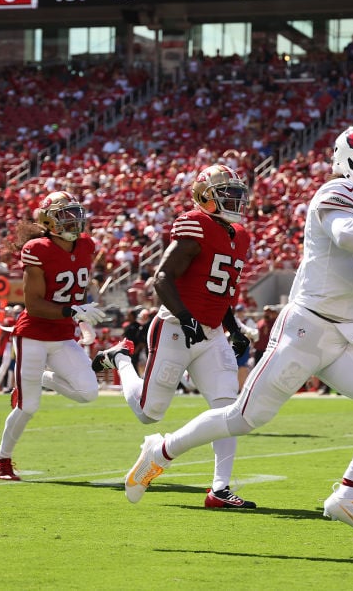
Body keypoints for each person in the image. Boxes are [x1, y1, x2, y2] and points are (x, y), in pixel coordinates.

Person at [122, 122, 353, 540]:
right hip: (307, 328)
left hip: (346, 337)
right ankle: (162, 449)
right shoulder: (338, 192)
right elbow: (343, 234)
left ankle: (349, 494)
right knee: (245, 417)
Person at [95, 164, 256, 509]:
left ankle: (220, 488)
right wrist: (185, 319)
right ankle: (122, 358)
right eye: (227, 193)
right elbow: (162, 278)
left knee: (228, 411)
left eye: (237, 193)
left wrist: (234, 327)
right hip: (174, 326)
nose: (235, 200)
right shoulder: (195, 224)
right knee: (148, 413)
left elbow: (222, 291)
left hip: (211, 333)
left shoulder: (239, 235)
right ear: (205, 196)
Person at [0, 191, 108, 481]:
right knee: (28, 406)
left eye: (74, 213)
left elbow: (78, 289)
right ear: (49, 220)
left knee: (88, 393)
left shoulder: (86, 245)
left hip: (63, 336)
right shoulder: (37, 249)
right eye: (64, 215)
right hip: (34, 334)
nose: (72, 220)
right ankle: (1, 459)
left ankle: (42, 379)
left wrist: (80, 316)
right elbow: (35, 304)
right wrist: (74, 312)